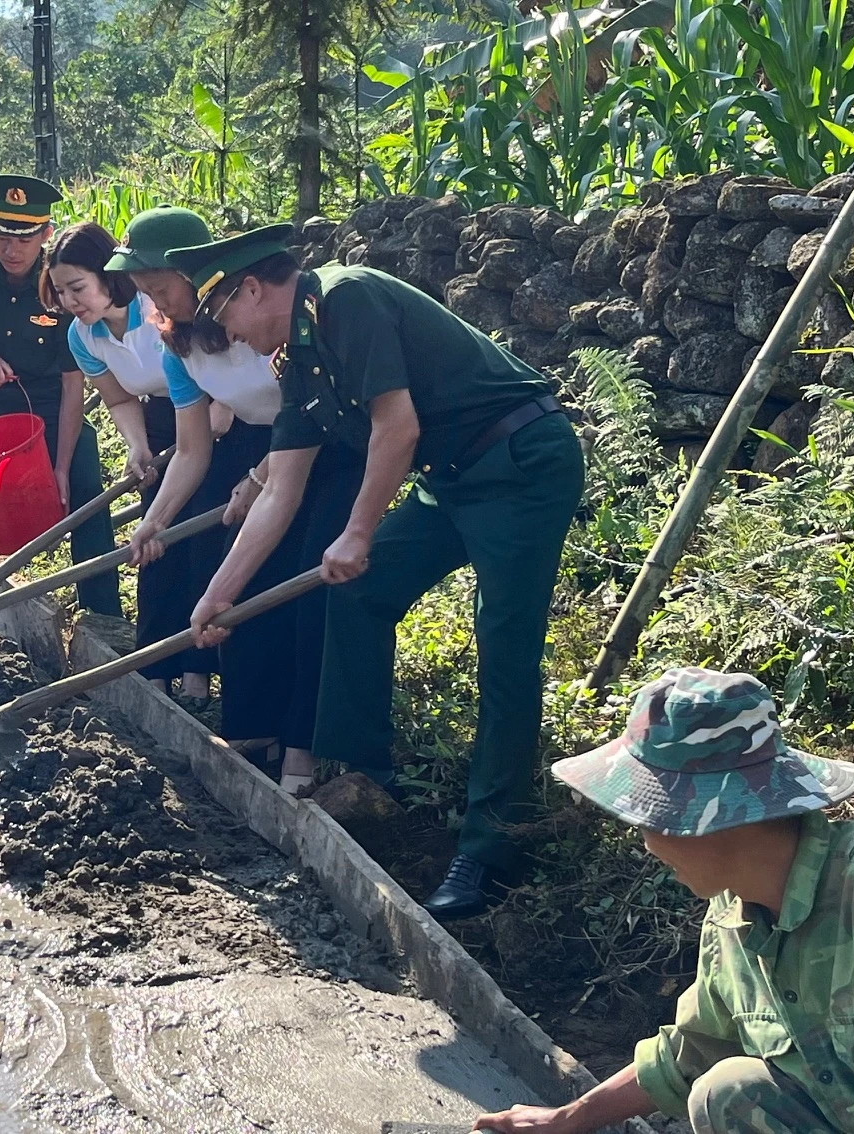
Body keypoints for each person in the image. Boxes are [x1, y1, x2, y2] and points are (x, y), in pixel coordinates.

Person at [170, 224, 582, 919]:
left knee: (504, 649)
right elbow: (280, 491)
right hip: (450, 480)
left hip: (519, 464)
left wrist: (358, 530)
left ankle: (491, 848)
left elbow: (398, 427)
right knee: (355, 594)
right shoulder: (295, 361)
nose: (231, 335)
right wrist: (216, 598)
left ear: (251, 288)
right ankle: (364, 780)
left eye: (227, 317)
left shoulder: (347, 300)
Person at [475, 668, 854, 1133]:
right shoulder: (734, 913)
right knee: (730, 1093)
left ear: (714, 820)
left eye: (647, 817)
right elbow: (691, 1049)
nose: (644, 840)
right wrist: (569, 1118)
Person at [110, 207, 362, 792]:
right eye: (144, 293)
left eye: (162, 289)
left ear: (200, 274)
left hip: (330, 450)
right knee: (241, 582)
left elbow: (312, 410)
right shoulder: (179, 347)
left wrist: (258, 476)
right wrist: (157, 520)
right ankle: (254, 731)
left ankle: (302, 747)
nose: (154, 306)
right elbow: (193, 451)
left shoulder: (260, 322)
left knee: (306, 587)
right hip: (262, 445)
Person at [0, 174, 119, 615]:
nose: (11, 250)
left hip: (51, 399)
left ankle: (104, 616)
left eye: (24, 238)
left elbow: (74, 382)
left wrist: (62, 467)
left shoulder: (61, 282)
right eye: (1, 236)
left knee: (87, 489)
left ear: (46, 234)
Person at [45, 220, 210, 701]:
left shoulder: (156, 307)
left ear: (109, 275)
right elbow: (119, 400)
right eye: (60, 292)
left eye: (78, 287)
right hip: (159, 423)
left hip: (214, 415)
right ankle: (155, 664)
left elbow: (205, 374)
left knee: (201, 536)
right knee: (154, 547)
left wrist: (214, 416)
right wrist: (137, 447)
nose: (70, 302)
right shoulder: (83, 336)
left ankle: (199, 670)